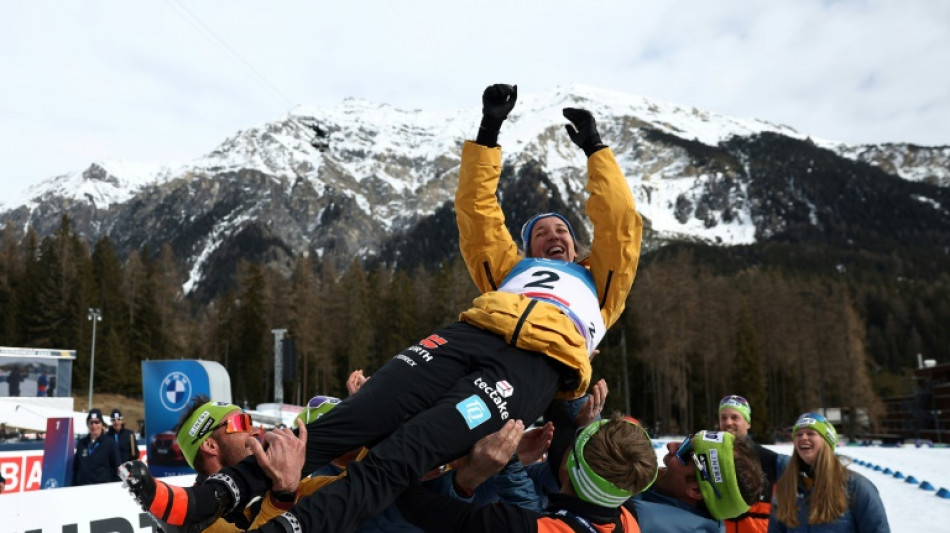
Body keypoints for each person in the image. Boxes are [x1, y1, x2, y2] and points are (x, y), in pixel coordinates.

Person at [122, 83, 643, 533]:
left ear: (577, 249)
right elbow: (478, 218)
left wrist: (596, 150)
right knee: (351, 420)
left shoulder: (599, 283)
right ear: (526, 250)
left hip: (530, 369)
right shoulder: (507, 272)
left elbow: (620, 224)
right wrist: (488, 133)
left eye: (563, 233)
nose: (554, 237)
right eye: (542, 233)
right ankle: (208, 498)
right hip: (468, 337)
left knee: (403, 455)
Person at [398, 415, 657, 533]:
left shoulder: (516, 526)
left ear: (568, 465)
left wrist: (470, 474)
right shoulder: (626, 518)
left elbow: (414, 506)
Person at [768, 413, 889, 532]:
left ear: (827, 441)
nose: (803, 438)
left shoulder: (856, 486)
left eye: (811, 433)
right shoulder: (787, 486)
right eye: (798, 435)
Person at [629, 430, 767, 532]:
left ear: (695, 490)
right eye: (686, 441)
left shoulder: (632, 522)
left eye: (684, 451)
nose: (671, 445)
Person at [718, 395, 788, 533]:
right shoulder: (710, 456)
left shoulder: (769, 459)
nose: (728, 422)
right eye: (723, 417)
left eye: (735, 417)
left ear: (748, 423)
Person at [73, 408, 120, 486]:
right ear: (88, 425)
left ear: (101, 424)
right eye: (91, 422)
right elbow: (76, 468)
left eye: (97, 422)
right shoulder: (82, 443)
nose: (94, 425)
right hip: (82, 489)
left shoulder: (109, 443)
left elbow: (117, 468)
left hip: (101, 489)